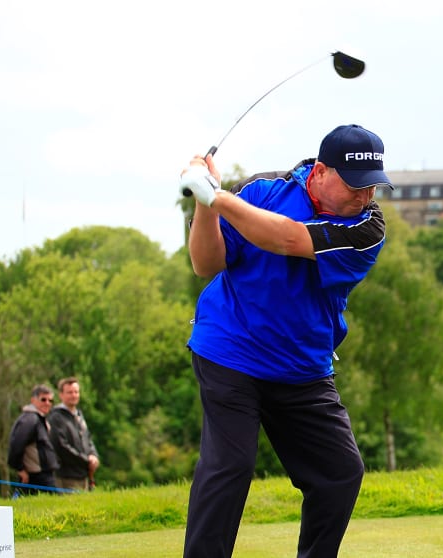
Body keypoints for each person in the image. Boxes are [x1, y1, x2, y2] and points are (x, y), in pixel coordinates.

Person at [179, 124, 392, 558]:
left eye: (372, 186)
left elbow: (287, 238)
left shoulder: (368, 227)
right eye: (355, 186)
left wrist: (218, 197)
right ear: (320, 171)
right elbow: (206, 263)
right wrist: (206, 203)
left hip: (302, 367)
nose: (364, 197)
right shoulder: (262, 191)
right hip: (230, 350)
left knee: (340, 473)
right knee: (230, 467)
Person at [48, 377, 100, 492]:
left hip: (83, 475)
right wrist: (86, 461)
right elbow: (61, 446)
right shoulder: (56, 417)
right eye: (69, 392)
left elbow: (88, 439)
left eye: (76, 392)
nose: (74, 395)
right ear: (61, 395)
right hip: (66, 477)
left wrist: (93, 456)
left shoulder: (79, 415)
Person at [7, 384, 60, 494]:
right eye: (43, 399)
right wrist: (20, 469)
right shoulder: (30, 419)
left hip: (44, 474)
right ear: (33, 400)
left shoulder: (39, 418)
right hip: (36, 476)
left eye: (50, 400)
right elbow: (16, 445)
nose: (47, 403)